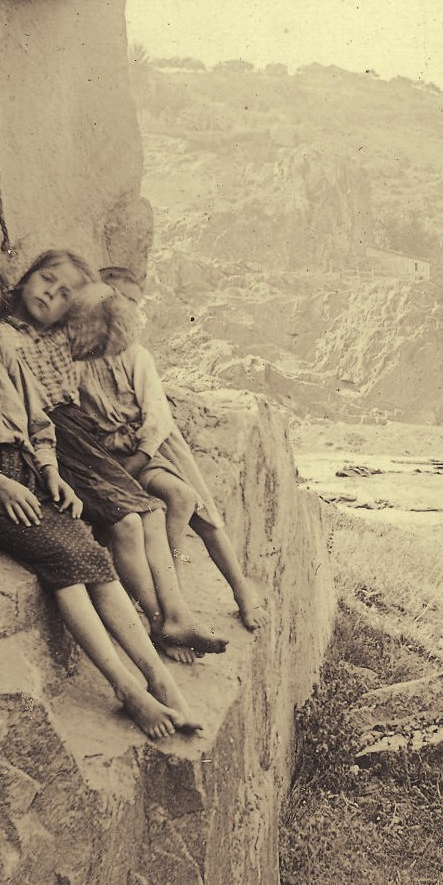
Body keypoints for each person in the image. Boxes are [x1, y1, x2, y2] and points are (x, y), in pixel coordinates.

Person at [0, 237, 200, 738]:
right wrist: (0, 485)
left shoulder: (2, 347)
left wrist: (50, 472)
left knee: (90, 551)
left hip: (17, 468)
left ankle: (161, 681)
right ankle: (129, 691)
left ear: (1, 293)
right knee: (63, 556)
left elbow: (38, 424)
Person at [3, 249, 227, 661]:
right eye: (47, 279)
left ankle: (176, 615)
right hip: (54, 436)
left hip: (79, 434)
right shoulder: (3, 337)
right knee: (126, 523)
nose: (52, 293)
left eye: (65, 293)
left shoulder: (61, 336)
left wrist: (89, 293)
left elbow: (110, 322)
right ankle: (161, 619)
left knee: (153, 512)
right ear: (24, 278)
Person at [68, 266, 268, 631]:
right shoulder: (77, 356)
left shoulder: (136, 355)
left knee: (195, 505)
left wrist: (140, 456)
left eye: (131, 301)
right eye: (111, 296)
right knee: (158, 508)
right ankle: (166, 601)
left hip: (154, 446)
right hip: (109, 455)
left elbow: (157, 418)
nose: (120, 306)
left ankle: (241, 592)